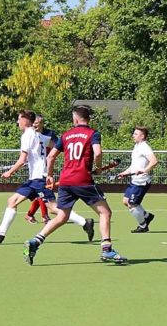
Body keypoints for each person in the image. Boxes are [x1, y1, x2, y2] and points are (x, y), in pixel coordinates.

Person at [23, 105, 127, 265]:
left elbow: (50, 157)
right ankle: (107, 250)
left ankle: (34, 242)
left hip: (65, 181)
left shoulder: (66, 135)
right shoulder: (93, 134)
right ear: (88, 118)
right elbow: (98, 152)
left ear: (75, 118)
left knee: (62, 216)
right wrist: (98, 168)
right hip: (83, 180)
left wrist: (50, 175)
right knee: (105, 213)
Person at [0, 110, 94, 244]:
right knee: (12, 201)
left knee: (54, 209)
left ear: (26, 121)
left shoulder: (27, 135)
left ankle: (84, 222)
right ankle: (0, 233)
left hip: (40, 178)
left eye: (19, 119)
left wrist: (10, 172)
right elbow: (57, 146)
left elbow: (22, 160)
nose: (17, 122)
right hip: (33, 179)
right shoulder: (39, 135)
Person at [116, 126, 159, 233]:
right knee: (126, 201)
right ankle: (147, 216)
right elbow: (134, 165)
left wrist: (145, 170)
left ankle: (143, 226)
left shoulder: (144, 147)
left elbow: (154, 161)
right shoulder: (137, 146)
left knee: (132, 204)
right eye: (133, 133)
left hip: (141, 182)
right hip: (134, 180)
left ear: (142, 136)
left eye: (136, 134)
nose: (133, 136)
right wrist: (125, 173)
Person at [24, 114, 57, 224]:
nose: (34, 125)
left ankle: (30, 215)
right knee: (42, 192)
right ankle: (44, 216)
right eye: (33, 123)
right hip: (37, 168)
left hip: (47, 165)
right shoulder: (31, 133)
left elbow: (57, 146)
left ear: (42, 124)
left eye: (37, 124)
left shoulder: (50, 134)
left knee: (42, 193)